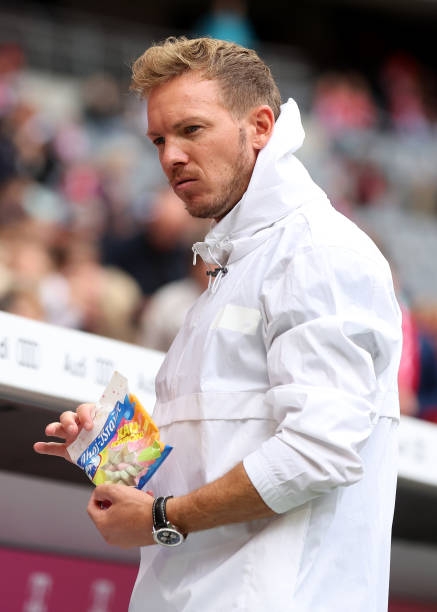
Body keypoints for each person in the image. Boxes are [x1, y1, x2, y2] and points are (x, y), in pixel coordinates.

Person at [34, 37, 403, 611]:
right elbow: (218, 452)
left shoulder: (318, 251)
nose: (171, 157)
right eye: (159, 139)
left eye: (192, 130)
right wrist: (119, 452)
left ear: (259, 127)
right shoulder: (237, 262)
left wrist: (161, 518)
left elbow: (319, 452)